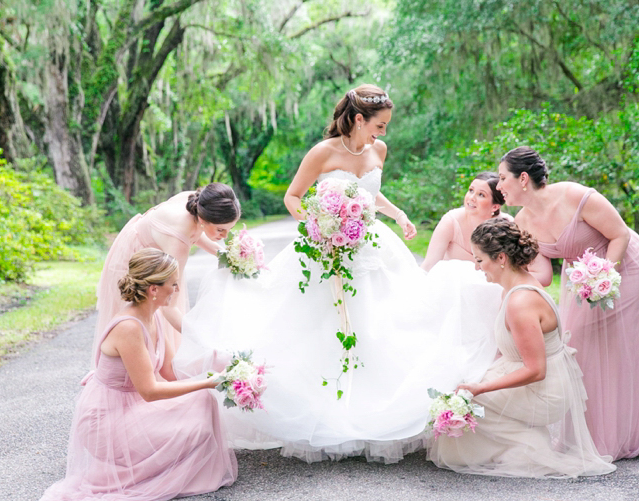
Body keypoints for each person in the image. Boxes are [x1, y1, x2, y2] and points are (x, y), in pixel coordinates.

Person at [173, 84, 500, 463]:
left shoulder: (379, 149)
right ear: (359, 119)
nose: (384, 133)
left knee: (379, 322)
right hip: (324, 247)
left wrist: (397, 213)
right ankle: (325, 409)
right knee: (322, 326)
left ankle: (375, 407)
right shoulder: (323, 152)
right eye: (381, 125)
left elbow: (370, 192)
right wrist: (321, 225)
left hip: (371, 245)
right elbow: (293, 197)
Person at [496, 146, 639, 460]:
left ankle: (638, 433)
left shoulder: (576, 195)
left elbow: (620, 235)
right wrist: (508, 284)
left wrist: (604, 274)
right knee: (583, 348)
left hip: (626, 267)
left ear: (523, 178)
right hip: (582, 281)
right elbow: (542, 274)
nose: (499, 185)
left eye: (503, 178)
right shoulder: (522, 221)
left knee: (625, 349)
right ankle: (595, 437)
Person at [41, 248, 237, 501]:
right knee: (197, 417)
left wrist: (216, 364)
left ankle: (168, 468)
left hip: (132, 405)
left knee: (203, 402)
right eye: (173, 284)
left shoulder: (154, 315)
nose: (177, 289)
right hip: (107, 420)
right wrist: (208, 382)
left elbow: (169, 373)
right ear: (153, 290)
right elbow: (151, 391)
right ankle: (137, 475)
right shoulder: (129, 327)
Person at [428, 219, 616, 478]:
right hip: (537, 375)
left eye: (480, 260)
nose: (476, 267)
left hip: (545, 391)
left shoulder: (521, 302)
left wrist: (480, 388)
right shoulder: (515, 287)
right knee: (460, 383)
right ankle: (526, 437)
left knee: (467, 402)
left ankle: (529, 447)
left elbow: (536, 370)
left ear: (501, 258)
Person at [93, 184, 240, 361]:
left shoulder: (200, 201)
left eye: (229, 229)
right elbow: (169, 308)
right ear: (203, 219)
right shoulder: (179, 239)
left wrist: (227, 255)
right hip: (137, 261)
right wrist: (204, 341)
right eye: (220, 230)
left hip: (158, 250)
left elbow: (196, 232)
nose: (225, 236)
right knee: (144, 315)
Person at [421, 172, 511, 271]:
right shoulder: (451, 221)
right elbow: (429, 265)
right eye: (471, 190)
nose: (471, 198)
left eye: (481, 194)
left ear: (495, 206)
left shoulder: (508, 225)